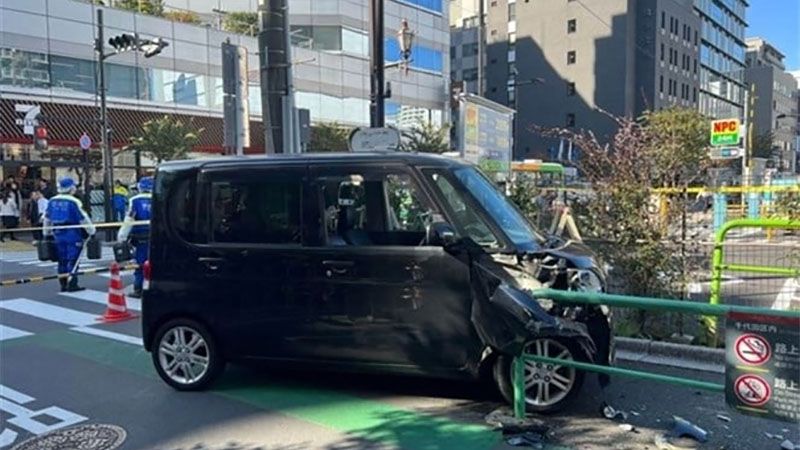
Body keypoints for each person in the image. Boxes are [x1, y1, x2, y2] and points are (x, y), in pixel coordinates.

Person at [44, 178, 96, 292]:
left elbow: (47, 219)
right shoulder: (74, 201)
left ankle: (62, 283)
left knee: (61, 259)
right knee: (73, 259)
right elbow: (83, 218)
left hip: (57, 232)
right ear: (71, 188)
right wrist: (91, 231)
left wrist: (46, 233)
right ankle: (72, 283)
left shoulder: (52, 201)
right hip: (72, 232)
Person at [118, 176, 152, 298]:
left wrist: (122, 236)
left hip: (141, 235)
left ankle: (138, 288)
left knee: (141, 263)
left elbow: (129, 219)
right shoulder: (159, 198)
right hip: (157, 235)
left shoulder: (135, 200)